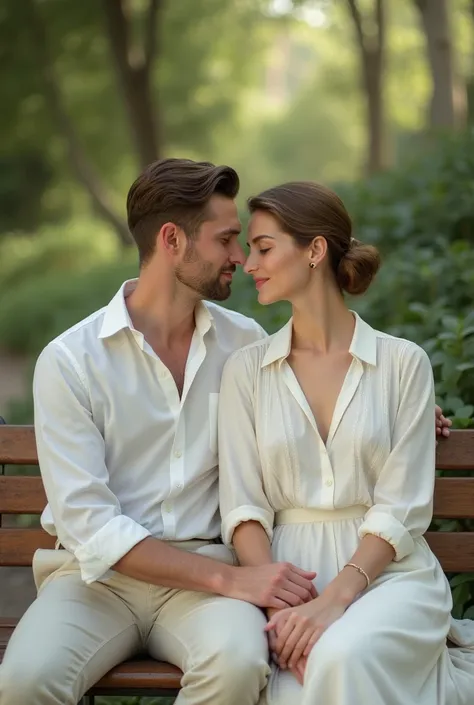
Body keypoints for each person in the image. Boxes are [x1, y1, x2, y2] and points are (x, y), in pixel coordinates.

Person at [0, 159, 449, 705]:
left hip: (210, 581)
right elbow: (90, 527)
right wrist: (238, 582)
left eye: (252, 244)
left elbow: (329, 383)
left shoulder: (245, 344)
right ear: (172, 240)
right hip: (96, 582)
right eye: (229, 240)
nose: (240, 258)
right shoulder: (71, 361)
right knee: (25, 681)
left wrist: (409, 409)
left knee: (237, 666)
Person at [217, 180, 473, 705]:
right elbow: (243, 507)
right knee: (295, 687)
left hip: (388, 574)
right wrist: (279, 609)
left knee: (340, 656)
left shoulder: (403, 364)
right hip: (290, 578)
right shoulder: (247, 371)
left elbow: (402, 507)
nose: (249, 263)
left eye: (264, 247)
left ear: (314, 250)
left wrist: (335, 601)